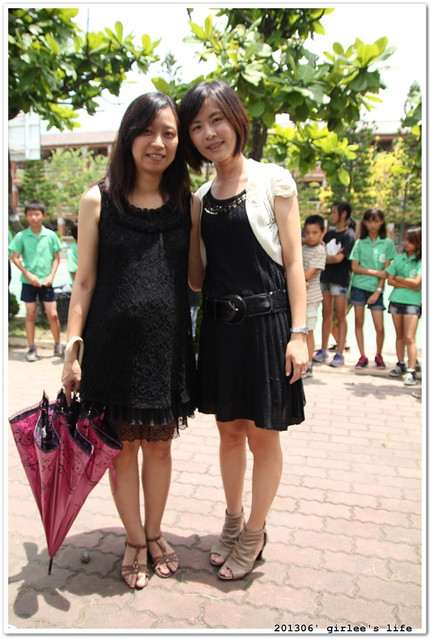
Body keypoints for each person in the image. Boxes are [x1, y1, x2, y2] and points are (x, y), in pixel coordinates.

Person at [61, 92, 197, 590]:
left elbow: (198, 277)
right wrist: (72, 350)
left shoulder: (188, 203)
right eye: (147, 131)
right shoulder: (98, 200)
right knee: (121, 453)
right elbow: (84, 282)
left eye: (169, 133)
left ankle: (155, 533)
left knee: (159, 451)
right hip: (111, 349)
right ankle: (134, 540)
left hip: (166, 350)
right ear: (128, 136)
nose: (157, 142)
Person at [179, 80, 307, 581]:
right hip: (219, 330)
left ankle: (255, 531)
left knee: (262, 437)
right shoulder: (199, 198)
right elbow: (196, 278)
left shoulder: (273, 180)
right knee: (229, 432)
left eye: (216, 120)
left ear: (236, 120)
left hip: (267, 326)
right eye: (197, 126)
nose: (209, 133)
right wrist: (191, 226)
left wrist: (300, 333)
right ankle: (232, 521)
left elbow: (293, 262)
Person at [9, 201, 64, 361]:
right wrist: (28, 275)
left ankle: (58, 345)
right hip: (28, 283)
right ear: (26, 217)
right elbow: (15, 257)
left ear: (43, 216)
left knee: (53, 314)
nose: (34, 217)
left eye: (37, 214)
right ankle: (32, 348)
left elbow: (56, 257)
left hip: (47, 282)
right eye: (30, 214)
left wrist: (51, 276)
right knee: (30, 315)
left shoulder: (51, 235)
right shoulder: (21, 236)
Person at [349, 208, 396, 369]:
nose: (372, 225)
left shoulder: (387, 243)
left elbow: (387, 271)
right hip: (358, 286)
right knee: (358, 322)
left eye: (376, 221)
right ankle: (362, 356)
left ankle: (379, 354)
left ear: (381, 222)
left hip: (377, 289)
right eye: (369, 221)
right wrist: (376, 272)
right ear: (365, 223)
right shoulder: (360, 243)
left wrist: (378, 291)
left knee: (379, 326)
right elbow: (355, 267)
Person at [313, 201, 355, 367]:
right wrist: (330, 258)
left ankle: (339, 353)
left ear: (343, 214)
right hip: (325, 278)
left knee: (341, 316)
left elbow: (339, 259)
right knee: (326, 314)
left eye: (335, 212)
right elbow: (321, 253)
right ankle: (323, 349)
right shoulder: (329, 234)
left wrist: (329, 258)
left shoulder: (349, 235)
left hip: (340, 280)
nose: (332, 215)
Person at [386, 226, 422, 386]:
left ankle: (411, 370)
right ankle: (400, 364)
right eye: (406, 240)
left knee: (409, 337)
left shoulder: (421, 261)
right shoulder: (399, 258)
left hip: (412, 303)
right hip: (396, 300)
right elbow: (389, 280)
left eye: (410, 241)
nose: (406, 243)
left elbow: (417, 284)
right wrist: (407, 282)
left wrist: (399, 279)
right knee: (399, 335)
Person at [302, 214, 326, 378]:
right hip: (300, 295)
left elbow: (307, 275)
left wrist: (295, 280)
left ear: (323, 232)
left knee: (308, 331)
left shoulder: (320, 251)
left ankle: (309, 364)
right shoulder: (303, 247)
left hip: (311, 297)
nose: (311, 236)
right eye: (308, 233)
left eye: (315, 233)